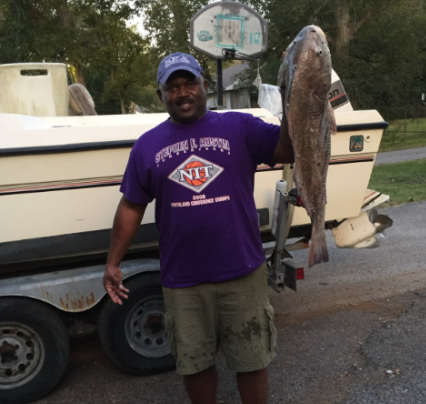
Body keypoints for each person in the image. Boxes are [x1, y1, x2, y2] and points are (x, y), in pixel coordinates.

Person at [103, 52, 294, 404]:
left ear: (204, 86)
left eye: (189, 83)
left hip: (242, 270)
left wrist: (298, 88)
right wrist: (113, 262)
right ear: (161, 96)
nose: (182, 92)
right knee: (194, 364)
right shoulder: (147, 146)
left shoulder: (240, 127)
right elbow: (131, 205)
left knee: (251, 359)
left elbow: (288, 148)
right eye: (172, 87)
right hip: (183, 279)